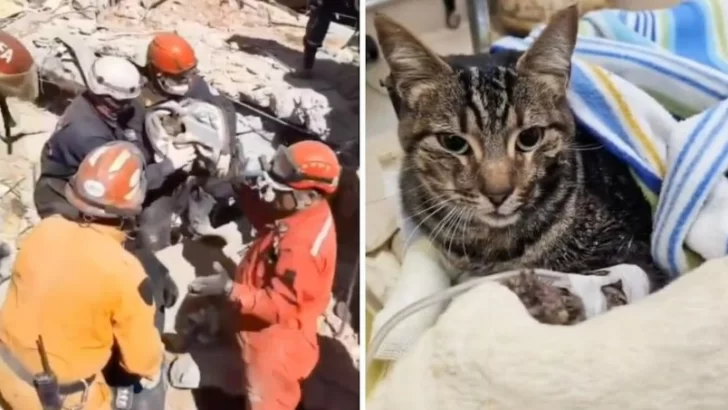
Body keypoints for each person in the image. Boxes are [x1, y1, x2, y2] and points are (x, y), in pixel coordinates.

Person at [0, 141, 165, 410]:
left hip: (7, 374)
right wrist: (153, 364)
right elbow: (140, 361)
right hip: (60, 398)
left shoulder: (44, 230)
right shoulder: (125, 272)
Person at [32, 55, 191, 331]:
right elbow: (125, 181)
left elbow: (133, 121)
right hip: (62, 198)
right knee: (121, 257)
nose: (128, 107)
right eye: (122, 103)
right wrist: (167, 166)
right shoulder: (86, 134)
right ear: (103, 96)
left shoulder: (100, 107)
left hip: (88, 184)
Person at [180, 140, 341, 410]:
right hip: (253, 312)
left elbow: (280, 308)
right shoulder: (299, 210)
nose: (273, 194)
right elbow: (269, 216)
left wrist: (230, 289)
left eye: (280, 189)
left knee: (266, 396)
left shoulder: (304, 249)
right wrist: (239, 186)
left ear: (309, 194)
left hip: (274, 340)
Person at [141, 32, 239, 249]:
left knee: (231, 179)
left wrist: (225, 150)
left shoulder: (192, 83)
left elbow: (224, 108)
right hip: (163, 175)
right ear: (158, 74)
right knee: (152, 235)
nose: (186, 82)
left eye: (189, 75)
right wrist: (167, 166)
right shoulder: (139, 102)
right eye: (179, 78)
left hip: (197, 160)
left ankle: (202, 209)